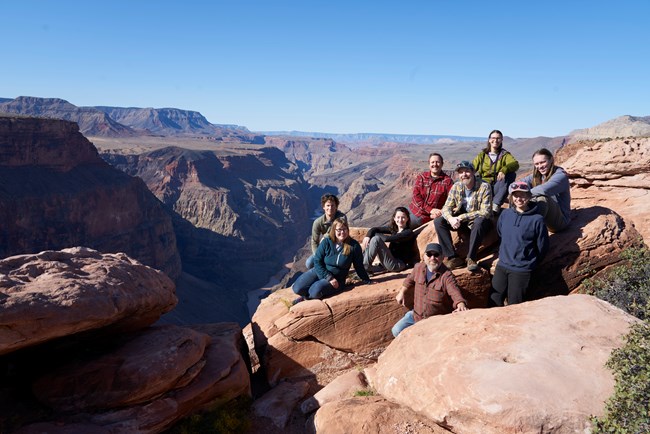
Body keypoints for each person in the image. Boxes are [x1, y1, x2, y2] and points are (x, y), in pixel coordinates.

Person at [490, 182, 549, 306]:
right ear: (511, 197)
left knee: (515, 305)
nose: (519, 199)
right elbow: (501, 233)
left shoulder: (537, 219)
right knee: (493, 301)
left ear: (529, 197)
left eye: (522, 195)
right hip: (502, 265)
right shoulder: (505, 214)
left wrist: (528, 262)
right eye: (515, 195)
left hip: (521, 269)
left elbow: (542, 246)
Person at [391, 243, 468, 337]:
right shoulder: (418, 267)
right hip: (416, 316)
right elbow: (409, 279)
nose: (432, 258)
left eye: (436, 255)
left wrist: (460, 304)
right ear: (424, 256)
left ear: (442, 257)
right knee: (396, 330)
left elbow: (454, 292)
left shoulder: (446, 275)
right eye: (429, 254)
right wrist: (402, 292)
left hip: (434, 322)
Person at [292, 218, 370, 304]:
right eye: (339, 229)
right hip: (320, 271)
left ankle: (305, 298)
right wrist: (328, 277)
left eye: (345, 229)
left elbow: (358, 266)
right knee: (297, 288)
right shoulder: (327, 242)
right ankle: (310, 291)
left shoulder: (353, 246)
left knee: (315, 291)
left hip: (337, 279)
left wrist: (366, 279)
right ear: (334, 230)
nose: (342, 232)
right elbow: (317, 260)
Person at [434, 160, 493, 273]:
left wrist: (461, 217)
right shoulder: (457, 186)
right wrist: (451, 218)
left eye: (467, 171)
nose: (463, 175)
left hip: (480, 223)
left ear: (473, 172)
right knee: (438, 221)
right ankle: (452, 257)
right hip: (464, 222)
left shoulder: (484, 186)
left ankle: (471, 258)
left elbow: (485, 211)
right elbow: (446, 207)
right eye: (461, 172)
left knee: (479, 221)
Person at [520, 148, 571, 232]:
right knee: (517, 197)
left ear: (551, 159)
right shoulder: (538, 176)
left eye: (543, 162)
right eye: (536, 164)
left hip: (560, 221)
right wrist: (515, 192)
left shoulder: (560, 175)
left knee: (542, 199)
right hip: (546, 218)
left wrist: (523, 195)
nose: (540, 166)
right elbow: (518, 184)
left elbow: (544, 190)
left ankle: (529, 232)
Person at [472, 129, 519, 214]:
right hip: (484, 186)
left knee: (511, 175)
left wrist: (504, 169)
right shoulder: (482, 155)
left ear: (501, 140)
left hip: (497, 187)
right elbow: (472, 169)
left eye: (498, 138)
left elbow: (515, 164)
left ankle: (495, 205)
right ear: (489, 140)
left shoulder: (505, 155)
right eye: (493, 138)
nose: (495, 140)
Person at [361, 206, 417, 274]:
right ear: (394, 218)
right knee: (372, 239)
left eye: (403, 217)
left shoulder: (408, 233)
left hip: (397, 264)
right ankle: (365, 267)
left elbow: (387, 239)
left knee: (376, 239)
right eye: (398, 217)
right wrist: (368, 236)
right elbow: (375, 229)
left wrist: (373, 235)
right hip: (390, 261)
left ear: (407, 218)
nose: (400, 220)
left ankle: (365, 268)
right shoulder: (394, 230)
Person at [408, 152, 453, 229]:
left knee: (401, 225)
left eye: (438, 162)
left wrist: (439, 213)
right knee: (396, 216)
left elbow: (452, 201)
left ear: (442, 164)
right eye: (432, 162)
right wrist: (430, 209)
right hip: (413, 208)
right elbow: (416, 196)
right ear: (429, 164)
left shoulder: (447, 181)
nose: (435, 164)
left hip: (424, 216)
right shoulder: (422, 177)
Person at [306, 193, 347, 269]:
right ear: (323, 207)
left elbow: (337, 233)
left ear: (336, 207)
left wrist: (325, 236)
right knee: (309, 263)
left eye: (332, 205)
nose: (330, 208)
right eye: (328, 205)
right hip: (325, 248)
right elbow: (314, 241)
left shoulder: (341, 217)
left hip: (339, 246)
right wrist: (317, 256)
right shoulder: (318, 222)